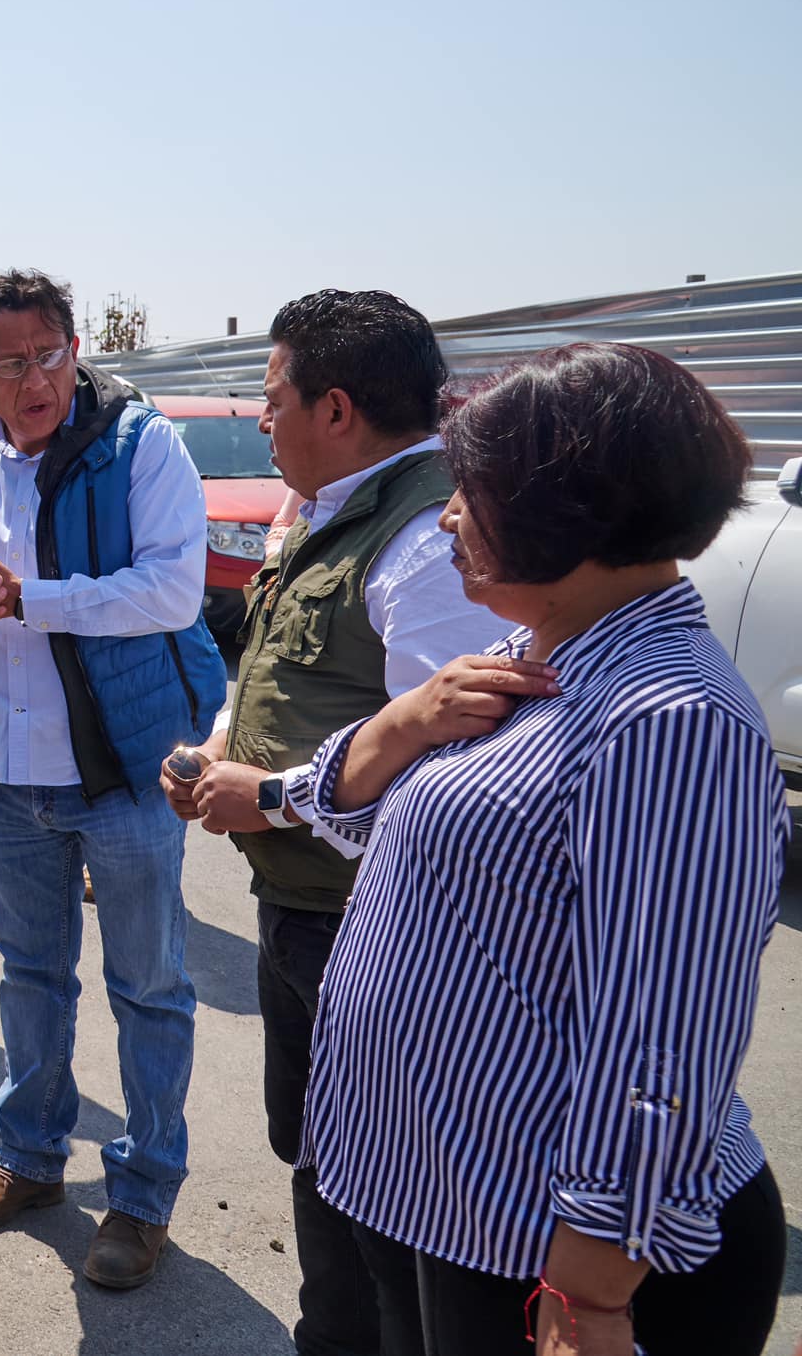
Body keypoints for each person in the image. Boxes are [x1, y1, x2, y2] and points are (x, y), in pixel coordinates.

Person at [298, 343, 787, 1356]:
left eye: (468, 495)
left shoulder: (667, 716)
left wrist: (591, 1294)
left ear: (566, 507)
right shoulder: (536, 658)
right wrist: (399, 731)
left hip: (550, 1258)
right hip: (448, 1197)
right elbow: (395, 832)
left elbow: (664, 1028)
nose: (444, 519)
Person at [163, 290, 513, 1356]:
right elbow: (294, 675)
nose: (260, 422)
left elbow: (447, 788)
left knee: (378, 1198)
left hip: (375, 933)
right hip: (303, 909)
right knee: (321, 1160)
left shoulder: (424, 544)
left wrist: (265, 797)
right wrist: (224, 749)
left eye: (272, 401)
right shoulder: (330, 507)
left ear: (336, 408)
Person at [0, 269, 224, 1290]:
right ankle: (29, 1158)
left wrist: (30, 599)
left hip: (121, 771)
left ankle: (140, 1196)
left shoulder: (137, 443)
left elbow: (170, 589)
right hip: (5, 778)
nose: (33, 379)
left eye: (48, 355)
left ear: (72, 350)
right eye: (8, 362)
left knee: (148, 987)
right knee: (28, 977)